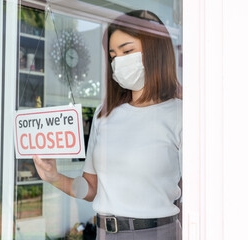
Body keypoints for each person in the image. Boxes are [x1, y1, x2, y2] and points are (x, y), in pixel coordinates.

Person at [33, 10, 182, 240]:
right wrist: (54, 177)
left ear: (155, 51)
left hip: (157, 233)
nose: (118, 61)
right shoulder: (105, 115)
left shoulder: (179, 114)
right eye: (113, 55)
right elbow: (91, 189)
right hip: (105, 233)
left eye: (127, 51)